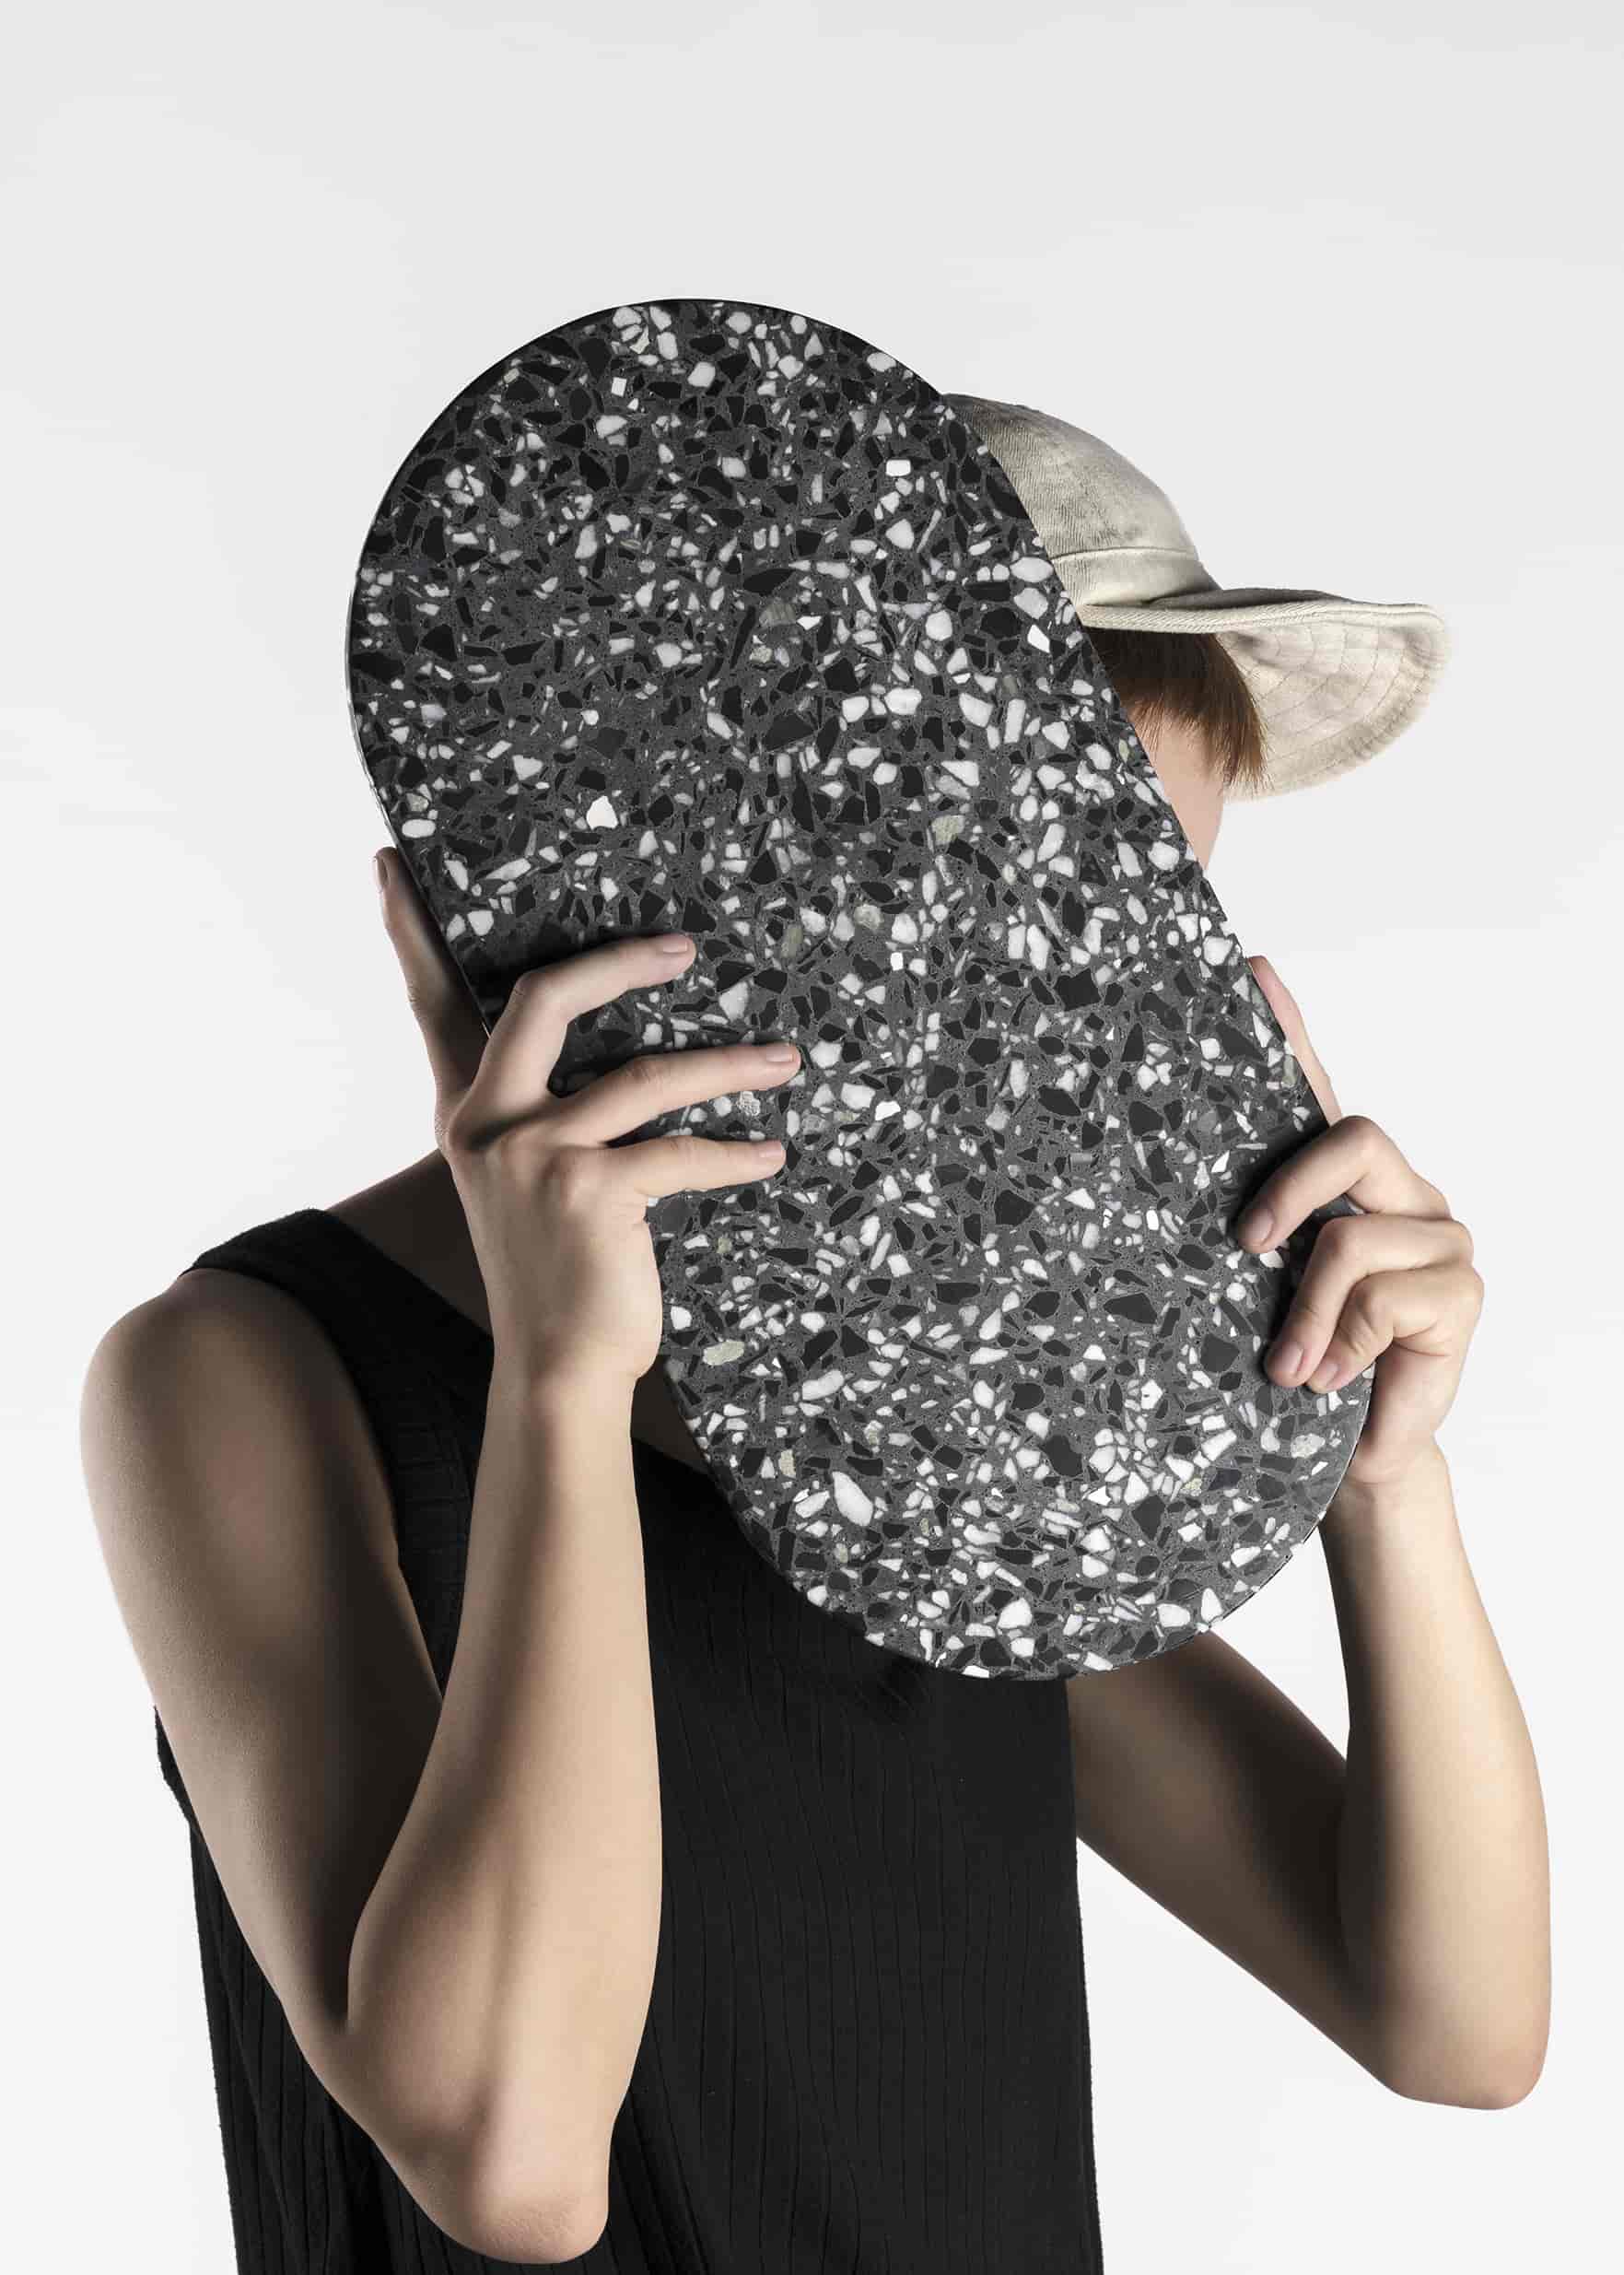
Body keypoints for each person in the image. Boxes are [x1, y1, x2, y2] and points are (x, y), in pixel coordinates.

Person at [79, 398, 1550, 2273]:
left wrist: (1383, 1475)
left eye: (1167, 938)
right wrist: (560, 1386)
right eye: (1041, 926)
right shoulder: (245, 1376)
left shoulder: (958, 1415)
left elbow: (1456, 2026)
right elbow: (514, 2156)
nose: (1116, 1040)